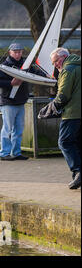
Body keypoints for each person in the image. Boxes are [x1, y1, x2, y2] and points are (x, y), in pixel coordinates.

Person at [49, 48, 80, 189]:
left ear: (64, 57)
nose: (55, 64)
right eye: (53, 62)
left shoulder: (67, 70)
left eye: (56, 61)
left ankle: (78, 171)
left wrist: (52, 107)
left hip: (72, 113)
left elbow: (63, 95)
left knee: (65, 142)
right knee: (77, 143)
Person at [0, 43, 30, 161]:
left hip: (20, 101)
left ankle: (16, 152)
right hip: (8, 102)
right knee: (7, 129)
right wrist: (10, 83)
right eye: (15, 52)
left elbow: (34, 74)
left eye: (20, 52)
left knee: (18, 130)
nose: (18, 54)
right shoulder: (4, 66)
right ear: (10, 52)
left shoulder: (25, 65)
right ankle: (4, 153)